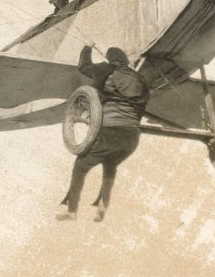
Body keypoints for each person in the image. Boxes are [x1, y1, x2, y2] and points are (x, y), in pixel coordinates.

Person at [57, 45, 149, 222]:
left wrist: (86, 49)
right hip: (132, 137)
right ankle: (102, 206)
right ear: (125, 60)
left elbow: (84, 66)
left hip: (111, 131)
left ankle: (70, 210)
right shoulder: (140, 79)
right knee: (110, 165)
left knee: (81, 166)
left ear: (110, 59)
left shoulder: (106, 70)